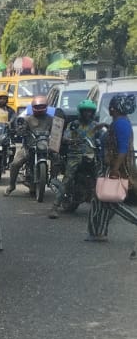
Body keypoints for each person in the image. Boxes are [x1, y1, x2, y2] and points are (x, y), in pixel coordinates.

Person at [87, 97, 134, 242]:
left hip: (111, 167)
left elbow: (122, 150)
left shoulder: (121, 124)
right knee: (100, 200)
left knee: (109, 201)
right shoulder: (118, 122)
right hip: (107, 166)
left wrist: (114, 170)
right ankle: (98, 233)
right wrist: (105, 127)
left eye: (111, 107)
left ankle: (98, 232)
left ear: (115, 108)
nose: (110, 109)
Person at [49, 99, 98, 219]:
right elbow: (65, 137)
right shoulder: (73, 125)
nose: (88, 114)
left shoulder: (95, 126)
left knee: (101, 176)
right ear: (81, 112)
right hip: (75, 155)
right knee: (68, 178)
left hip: (91, 155)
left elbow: (102, 137)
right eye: (85, 111)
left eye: (90, 111)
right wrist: (71, 140)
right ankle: (55, 207)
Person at [6, 95, 51, 194]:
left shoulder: (50, 119)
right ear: (33, 107)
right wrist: (20, 130)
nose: (40, 109)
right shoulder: (27, 119)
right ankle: (12, 185)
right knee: (15, 164)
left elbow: (56, 132)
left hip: (45, 146)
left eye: (42, 106)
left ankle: (54, 180)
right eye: (37, 107)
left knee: (58, 160)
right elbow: (20, 130)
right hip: (29, 146)